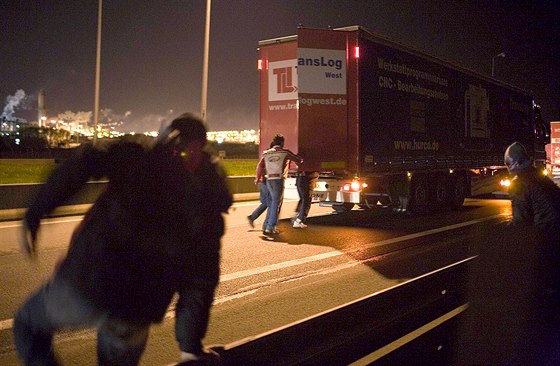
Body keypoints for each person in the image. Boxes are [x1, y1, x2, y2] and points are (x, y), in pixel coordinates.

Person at [13, 130, 197, 365]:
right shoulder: (194, 195)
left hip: (88, 284)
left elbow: (85, 162)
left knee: (27, 325)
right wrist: (190, 345)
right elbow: (198, 276)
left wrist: (37, 210)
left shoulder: (139, 161)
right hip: (138, 308)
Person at [169, 114, 232, 364]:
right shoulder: (208, 166)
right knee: (196, 293)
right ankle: (190, 351)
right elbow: (224, 199)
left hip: (179, 247)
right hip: (196, 248)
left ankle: (190, 349)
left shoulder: (156, 165)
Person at [504, 141, 560, 297]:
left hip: (546, 238)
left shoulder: (519, 184)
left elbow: (520, 221)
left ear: (512, 165)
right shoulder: (540, 177)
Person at [262, 134, 302, 235]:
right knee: (276, 203)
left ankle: (266, 225)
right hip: (278, 179)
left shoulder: (266, 153)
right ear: (282, 143)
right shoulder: (284, 153)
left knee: (272, 203)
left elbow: (261, 165)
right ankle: (271, 227)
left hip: (268, 179)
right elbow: (298, 160)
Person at [247, 141, 275, 230]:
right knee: (270, 203)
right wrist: (259, 178)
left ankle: (252, 217)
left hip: (261, 181)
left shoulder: (266, 154)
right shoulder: (270, 155)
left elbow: (259, 166)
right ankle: (266, 225)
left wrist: (257, 178)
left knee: (265, 203)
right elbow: (260, 167)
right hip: (265, 181)